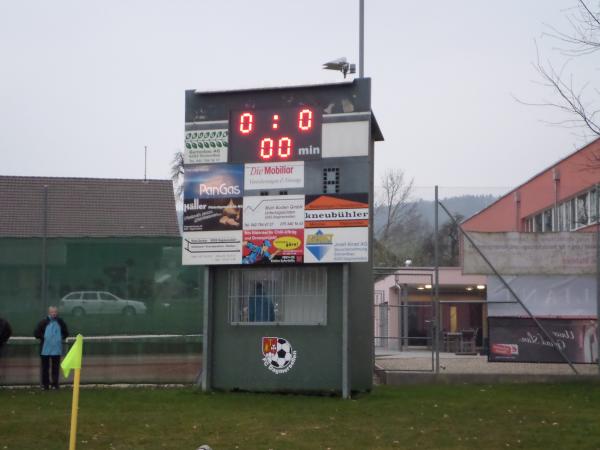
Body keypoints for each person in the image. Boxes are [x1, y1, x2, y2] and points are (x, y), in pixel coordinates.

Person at [34, 306, 69, 390]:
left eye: (55, 312)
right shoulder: (43, 322)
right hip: (45, 350)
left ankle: (55, 385)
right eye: (52, 312)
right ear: (49, 312)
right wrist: (45, 337)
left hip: (56, 349)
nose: (54, 313)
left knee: (55, 368)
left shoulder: (60, 322)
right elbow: (36, 333)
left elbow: (66, 333)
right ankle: (45, 385)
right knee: (45, 368)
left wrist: (60, 338)